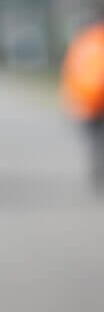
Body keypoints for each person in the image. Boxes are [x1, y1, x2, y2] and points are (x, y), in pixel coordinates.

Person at [61, 19, 104, 187]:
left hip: (86, 99)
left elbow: (70, 70)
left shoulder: (82, 41)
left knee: (94, 140)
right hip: (92, 99)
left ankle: (98, 169)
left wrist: (71, 98)